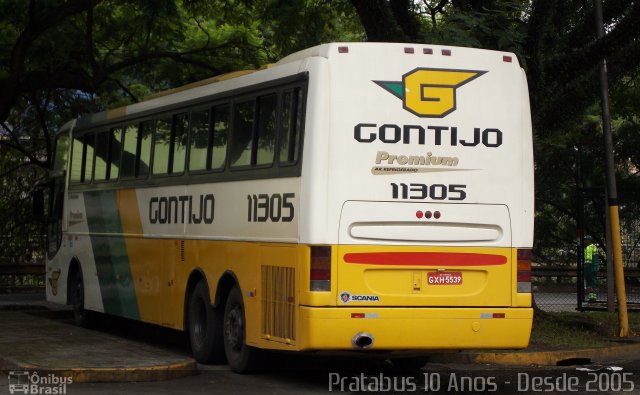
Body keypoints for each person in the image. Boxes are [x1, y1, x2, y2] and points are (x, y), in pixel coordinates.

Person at [584, 235, 600, 302]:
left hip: (590, 268)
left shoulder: (588, 248)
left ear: (588, 241)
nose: (584, 241)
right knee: (593, 282)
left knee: (589, 283)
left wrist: (584, 268)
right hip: (595, 267)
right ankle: (592, 297)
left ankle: (592, 298)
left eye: (585, 240)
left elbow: (588, 260)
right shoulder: (594, 247)